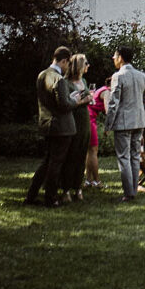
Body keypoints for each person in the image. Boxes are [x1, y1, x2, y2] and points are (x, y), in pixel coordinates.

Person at [25, 45, 87, 207]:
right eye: (68, 63)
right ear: (64, 61)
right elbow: (65, 105)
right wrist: (77, 100)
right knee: (55, 164)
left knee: (46, 162)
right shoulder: (59, 79)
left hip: (46, 123)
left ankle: (31, 195)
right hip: (62, 126)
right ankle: (50, 198)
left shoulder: (42, 75)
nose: (68, 67)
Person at [106, 46, 145, 203]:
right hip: (139, 120)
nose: (113, 58)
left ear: (121, 58)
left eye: (115, 56)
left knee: (124, 157)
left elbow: (113, 103)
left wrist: (108, 124)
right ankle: (133, 190)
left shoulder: (118, 76)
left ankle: (128, 193)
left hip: (124, 122)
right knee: (135, 156)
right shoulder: (142, 76)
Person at [61, 53, 92, 201]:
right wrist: (83, 101)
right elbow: (66, 104)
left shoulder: (84, 81)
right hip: (72, 120)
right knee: (70, 156)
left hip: (85, 120)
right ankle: (66, 189)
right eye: (86, 63)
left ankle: (78, 188)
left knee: (81, 155)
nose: (88, 65)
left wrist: (89, 99)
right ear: (79, 65)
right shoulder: (66, 83)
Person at [86, 80, 108, 190]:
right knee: (94, 151)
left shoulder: (101, 89)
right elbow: (108, 111)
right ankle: (97, 181)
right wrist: (108, 127)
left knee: (90, 151)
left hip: (88, 118)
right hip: (90, 120)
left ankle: (88, 180)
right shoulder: (107, 92)